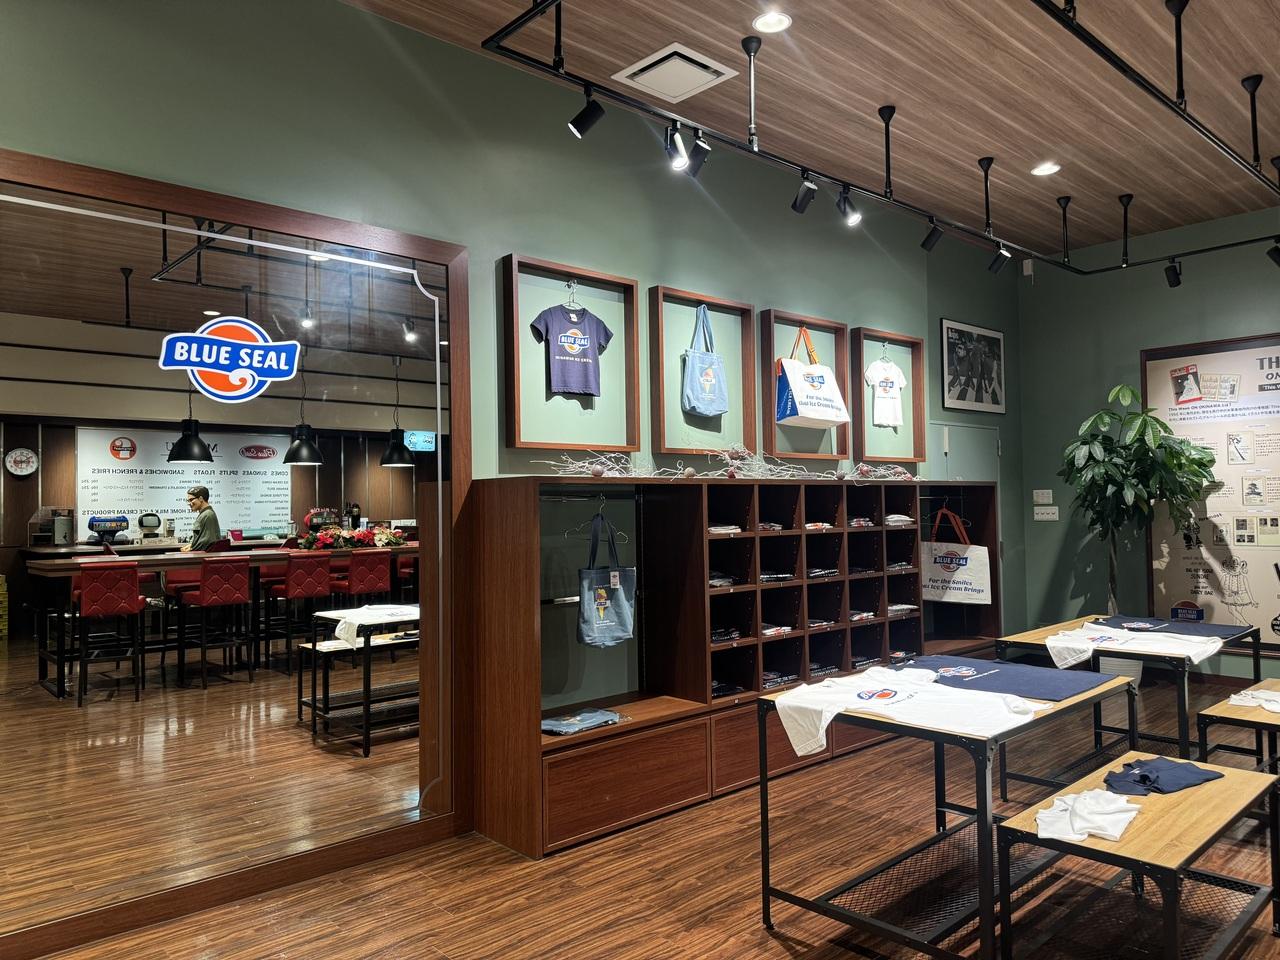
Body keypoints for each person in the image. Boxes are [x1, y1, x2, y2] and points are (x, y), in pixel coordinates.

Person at [181, 485, 222, 552]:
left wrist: (192, 549)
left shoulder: (207, 515)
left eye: (191, 500)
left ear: (200, 498)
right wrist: (191, 545)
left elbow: (207, 542)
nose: (189, 503)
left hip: (204, 555)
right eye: (188, 501)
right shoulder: (204, 514)